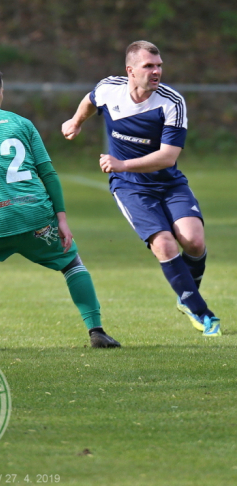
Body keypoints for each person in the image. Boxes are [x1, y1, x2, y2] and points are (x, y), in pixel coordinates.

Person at [61, 40, 221, 337]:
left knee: (194, 242)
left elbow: (168, 156)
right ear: (130, 70)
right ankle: (201, 311)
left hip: (168, 182)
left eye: (159, 66)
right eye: (149, 66)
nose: (156, 71)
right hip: (130, 187)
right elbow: (90, 100)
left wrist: (121, 164)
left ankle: (186, 295)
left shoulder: (171, 102)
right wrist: (76, 121)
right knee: (165, 244)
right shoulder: (110, 88)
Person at [0, 71, 120, 348]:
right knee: (71, 264)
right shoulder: (22, 124)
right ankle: (97, 331)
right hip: (35, 217)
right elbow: (48, 174)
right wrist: (61, 219)